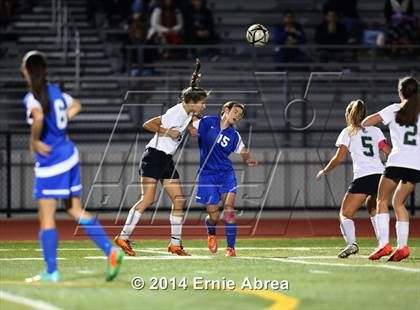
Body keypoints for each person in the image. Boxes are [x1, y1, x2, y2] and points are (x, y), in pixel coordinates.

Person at [21, 51, 123, 282]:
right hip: (70, 154)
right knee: (74, 209)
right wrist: (62, 121)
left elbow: (37, 118)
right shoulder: (56, 92)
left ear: (26, 71)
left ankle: (51, 271)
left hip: (52, 162)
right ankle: (111, 251)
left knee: (47, 217)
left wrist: (35, 141)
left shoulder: (32, 96)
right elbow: (76, 104)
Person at [115, 59, 208, 256]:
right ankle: (123, 237)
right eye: (202, 103)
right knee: (148, 198)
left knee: (179, 200)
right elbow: (149, 124)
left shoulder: (187, 114)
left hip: (166, 159)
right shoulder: (176, 112)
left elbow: (190, 129)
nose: (203, 106)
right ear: (192, 102)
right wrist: (169, 132)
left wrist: (194, 125)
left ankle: (175, 244)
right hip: (154, 156)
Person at [316, 100, 391, 258]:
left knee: (345, 213)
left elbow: (338, 158)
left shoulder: (348, 132)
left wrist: (324, 170)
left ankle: (352, 243)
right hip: (381, 175)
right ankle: (383, 243)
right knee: (372, 205)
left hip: (363, 176)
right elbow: (387, 151)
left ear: (348, 114)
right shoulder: (376, 130)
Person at [362, 76, 420, 262]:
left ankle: (384, 244)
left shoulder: (394, 109)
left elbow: (366, 122)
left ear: (400, 91)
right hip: (416, 165)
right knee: (398, 203)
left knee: (381, 200)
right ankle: (402, 247)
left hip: (397, 161)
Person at [189, 101, 258, 257]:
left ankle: (230, 248)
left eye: (240, 115)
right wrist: (191, 127)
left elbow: (243, 150)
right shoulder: (207, 122)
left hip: (226, 174)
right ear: (226, 110)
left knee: (229, 211)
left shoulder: (234, 135)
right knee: (214, 217)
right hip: (207, 175)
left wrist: (248, 159)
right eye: (235, 112)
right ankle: (211, 231)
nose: (237, 116)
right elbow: (189, 121)